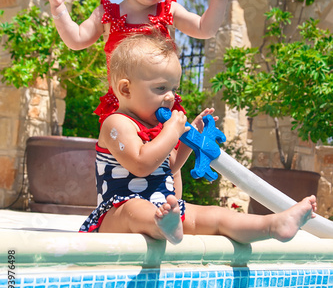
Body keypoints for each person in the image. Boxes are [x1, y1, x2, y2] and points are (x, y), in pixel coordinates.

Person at [78, 31, 317, 245]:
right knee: (135, 209)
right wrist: (172, 132)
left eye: (174, 88)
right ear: (126, 89)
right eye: (161, 88)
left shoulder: (160, 130)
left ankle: (273, 225)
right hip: (116, 215)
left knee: (216, 215)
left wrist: (187, 139)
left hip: (163, 210)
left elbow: (169, 166)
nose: (171, 97)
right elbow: (141, 164)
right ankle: (163, 225)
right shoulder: (117, 124)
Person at [34, 0, 245, 124]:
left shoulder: (168, 11)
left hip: (162, 107)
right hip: (122, 108)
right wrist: (59, 8)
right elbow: (76, 40)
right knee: (127, 160)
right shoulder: (106, 14)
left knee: (167, 162)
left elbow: (204, 28)